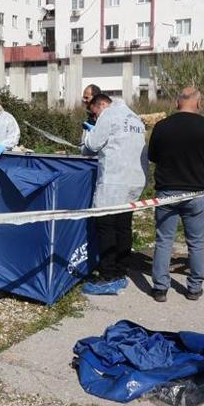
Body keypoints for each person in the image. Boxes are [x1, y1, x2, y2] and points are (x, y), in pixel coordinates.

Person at [147, 87, 204, 303]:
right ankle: (194, 288)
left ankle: (160, 288)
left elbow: (153, 155)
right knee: (196, 242)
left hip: (166, 192)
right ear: (199, 103)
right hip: (196, 192)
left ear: (177, 103)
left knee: (164, 240)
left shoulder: (162, 126)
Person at [82, 94, 149, 287]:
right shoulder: (135, 117)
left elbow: (92, 146)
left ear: (101, 104)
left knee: (106, 225)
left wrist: (90, 134)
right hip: (135, 179)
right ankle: (122, 268)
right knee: (123, 225)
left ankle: (107, 273)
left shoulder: (109, 115)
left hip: (114, 180)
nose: (94, 118)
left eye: (94, 113)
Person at [81, 84, 101, 156]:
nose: (84, 101)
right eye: (83, 98)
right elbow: (84, 149)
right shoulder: (88, 120)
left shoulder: (106, 118)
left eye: (87, 98)